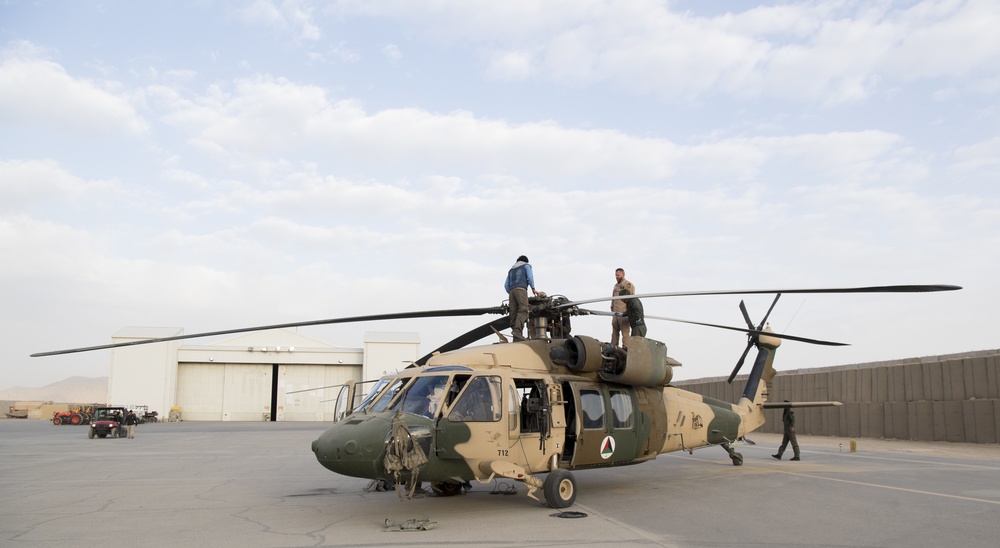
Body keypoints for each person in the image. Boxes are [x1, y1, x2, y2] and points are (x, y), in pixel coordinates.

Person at [504, 255, 538, 341]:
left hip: (511, 292)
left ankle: (516, 336)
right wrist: (533, 288)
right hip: (521, 289)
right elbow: (530, 278)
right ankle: (517, 332)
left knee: (513, 312)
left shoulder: (511, 270)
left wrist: (512, 292)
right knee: (523, 310)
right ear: (526, 261)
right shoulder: (526, 266)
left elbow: (506, 285)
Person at [611, 268, 635, 346]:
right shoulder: (616, 286)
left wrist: (628, 312)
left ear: (623, 275)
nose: (616, 277)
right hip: (615, 313)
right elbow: (613, 298)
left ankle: (625, 350)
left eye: (618, 275)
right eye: (616, 275)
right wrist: (612, 308)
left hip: (623, 314)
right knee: (614, 334)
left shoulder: (628, 285)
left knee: (625, 334)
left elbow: (631, 300)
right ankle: (613, 348)